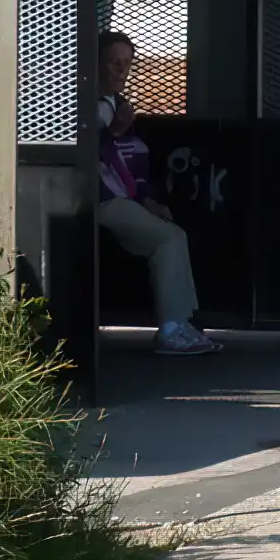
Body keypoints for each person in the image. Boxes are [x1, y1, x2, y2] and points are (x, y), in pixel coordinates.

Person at [92, 32, 215, 356]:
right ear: (97, 64)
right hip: (99, 200)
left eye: (127, 64)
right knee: (167, 239)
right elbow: (85, 154)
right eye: (113, 63)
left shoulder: (117, 106)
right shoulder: (85, 105)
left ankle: (184, 320)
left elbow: (130, 163)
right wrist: (114, 132)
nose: (121, 71)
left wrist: (148, 199)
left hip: (123, 198)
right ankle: (172, 328)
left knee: (176, 233)